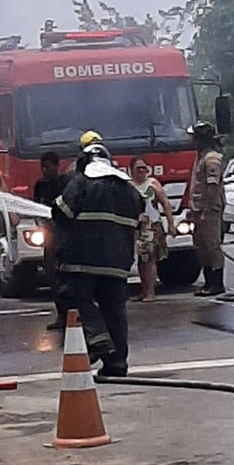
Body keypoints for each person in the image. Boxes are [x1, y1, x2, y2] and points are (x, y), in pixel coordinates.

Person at [52, 143, 144, 377]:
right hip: (118, 263)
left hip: (82, 259)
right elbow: (140, 218)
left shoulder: (81, 182)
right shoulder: (130, 190)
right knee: (114, 310)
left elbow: (62, 214)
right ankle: (117, 364)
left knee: (70, 295)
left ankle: (98, 338)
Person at [130, 157, 176, 302]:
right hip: (136, 227)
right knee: (141, 259)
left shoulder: (152, 183)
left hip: (152, 225)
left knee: (150, 259)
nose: (141, 170)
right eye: (138, 168)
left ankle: (151, 291)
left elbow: (165, 203)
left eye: (144, 167)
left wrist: (171, 224)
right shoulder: (128, 186)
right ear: (132, 170)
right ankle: (144, 290)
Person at [34, 152, 71, 329]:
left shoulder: (66, 184)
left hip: (66, 238)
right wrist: (42, 223)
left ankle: (74, 314)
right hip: (50, 239)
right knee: (52, 277)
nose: (44, 171)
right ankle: (61, 315)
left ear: (58, 165)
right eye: (42, 167)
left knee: (67, 277)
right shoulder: (40, 186)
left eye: (48, 167)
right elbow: (36, 208)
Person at [188, 121, 225, 297]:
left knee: (212, 246)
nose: (192, 141)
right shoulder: (201, 157)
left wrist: (206, 210)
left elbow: (212, 186)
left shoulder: (211, 159)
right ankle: (208, 282)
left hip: (208, 210)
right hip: (199, 210)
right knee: (201, 247)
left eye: (194, 138)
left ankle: (217, 283)